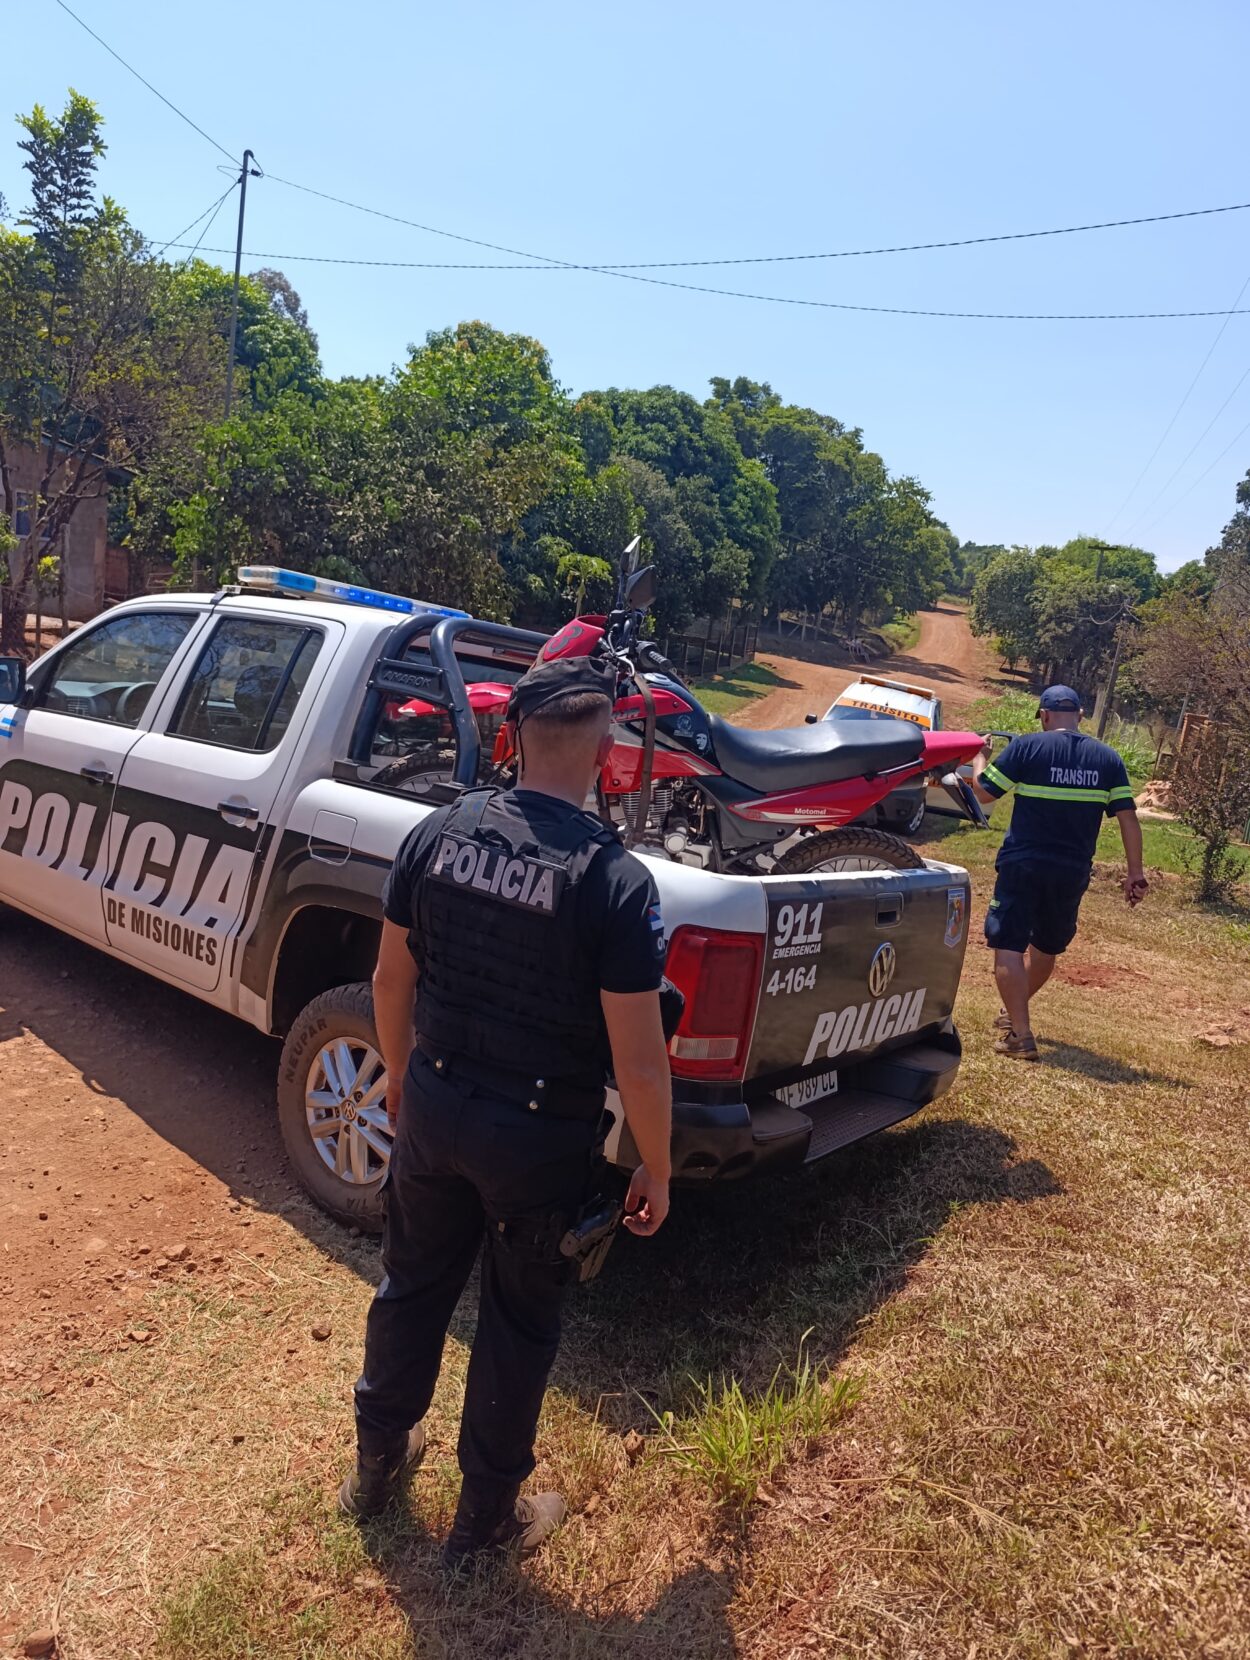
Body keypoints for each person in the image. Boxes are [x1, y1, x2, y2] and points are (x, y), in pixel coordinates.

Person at [338, 654, 674, 1571]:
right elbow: (641, 1059)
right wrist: (657, 1164)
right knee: (519, 1324)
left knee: (411, 1284)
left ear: (509, 738)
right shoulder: (615, 882)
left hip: (436, 1101)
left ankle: (375, 1465)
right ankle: (483, 1519)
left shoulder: (437, 832)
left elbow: (389, 977)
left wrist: (402, 1078)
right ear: (608, 758)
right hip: (537, 1140)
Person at [971, 684, 1148, 1062]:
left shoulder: (1027, 746)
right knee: (1047, 948)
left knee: (1008, 946)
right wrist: (1135, 873)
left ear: (1044, 715)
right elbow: (1129, 819)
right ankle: (1014, 1016)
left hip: (1023, 865)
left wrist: (979, 759)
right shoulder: (1108, 759)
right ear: (1081, 716)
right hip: (1072, 871)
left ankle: (1020, 1034)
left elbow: (984, 793)